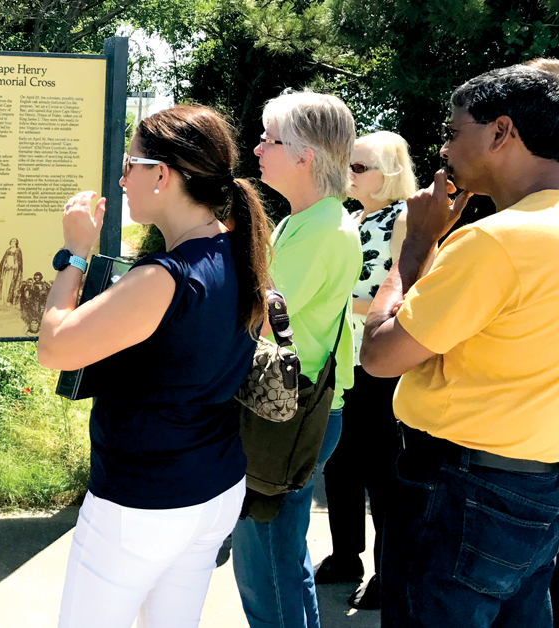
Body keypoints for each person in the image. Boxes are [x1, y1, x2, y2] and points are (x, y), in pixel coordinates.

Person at [38, 104, 272, 627]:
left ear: (161, 175)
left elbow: (54, 345)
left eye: (130, 164)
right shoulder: (239, 250)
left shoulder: (163, 277)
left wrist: (75, 253)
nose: (122, 180)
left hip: (143, 500)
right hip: (214, 486)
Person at [362, 65, 559, 628]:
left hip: (457, 490)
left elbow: (379, 354)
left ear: (501, 132)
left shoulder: (494, 241)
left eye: (453, 131)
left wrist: (419, 241)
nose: (444, 147)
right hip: (539, 484)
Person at [231, 91, 362, 628]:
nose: (258, 148)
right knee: (275, 555)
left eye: (270, 138)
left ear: (305, 156)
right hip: (294, 404)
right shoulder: (308, 220)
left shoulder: (321, 230)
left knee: (269, 561)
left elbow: (260, 317)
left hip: (286, 410)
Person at [315, 131, 417, 611]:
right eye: (347, 166)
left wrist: (344, 302)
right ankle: (345, 555)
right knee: (340, 462)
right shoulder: (353, 218)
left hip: (380, 362)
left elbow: (408, 293)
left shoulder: (404, 220)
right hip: (343, 359)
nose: (348, 174)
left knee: (383, 473)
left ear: (390, 174)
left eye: (358, 167)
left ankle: (387, 571)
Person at [0, 238, 23, 304]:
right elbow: (4, 260)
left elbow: (19, 262)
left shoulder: (18, 250)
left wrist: (14, 267)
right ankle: (3, 299)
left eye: (14, 241)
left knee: (11, 284)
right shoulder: (8, 250)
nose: (13, 242)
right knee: (5, 283)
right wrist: (5, 266)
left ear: (16, 243)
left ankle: (9, 301)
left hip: (13, 271)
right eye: (12, 241)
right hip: (6, 270)